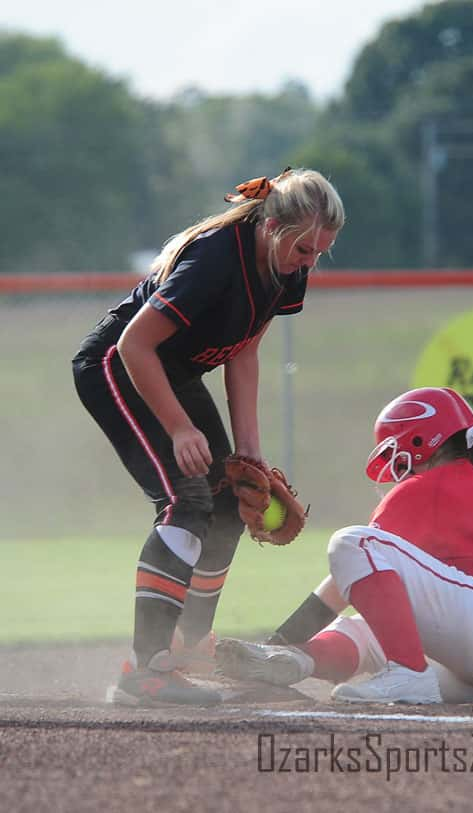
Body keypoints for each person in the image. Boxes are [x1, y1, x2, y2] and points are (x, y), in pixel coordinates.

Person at [72, 167, 345, 706]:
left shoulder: (287, 265)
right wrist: (177, 427)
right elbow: (132, 346)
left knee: (228, 502)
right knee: (186, 501)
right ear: (272, 228)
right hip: (117, 366)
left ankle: (188, 643)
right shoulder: (218, 257)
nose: (310, 261)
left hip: (172, 371)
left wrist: (250, 452)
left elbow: (244, 351)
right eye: (305, 248)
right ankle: (145, 672)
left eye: (320, 252)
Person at [215, 386, 473, 704]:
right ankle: (297, 661)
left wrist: (281, 634)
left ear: (419, 439)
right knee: (368, 628)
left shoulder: (425, 487)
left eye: (396, 451)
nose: (398, 468)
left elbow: (344, 581)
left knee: (353, 544)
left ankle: (406, 672)